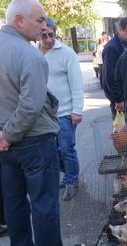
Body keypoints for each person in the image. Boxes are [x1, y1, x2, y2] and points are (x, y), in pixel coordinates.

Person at [0, 0, 62, 245]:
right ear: (19, 20)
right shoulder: (31, 56)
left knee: (15, 201)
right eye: (40, 20)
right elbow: (31, 105)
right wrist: (4, 134)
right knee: (44, 205)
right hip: (34, 141)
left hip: (6, 143)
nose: (44, 26)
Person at [39, 17, 84, 201]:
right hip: (43, 114)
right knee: (52, 151)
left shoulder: (67, 53)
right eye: (43, 35)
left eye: (51, 34)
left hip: (65, 112)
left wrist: (77, 110)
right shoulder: (34, 53)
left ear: (55, 33)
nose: (48, 38)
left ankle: (72, 180)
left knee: (66, 148)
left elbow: (76, 83)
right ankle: (68, 173)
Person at [102, 17, 127, 118]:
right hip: (119, 98)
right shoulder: (111, 48)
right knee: (121, 131)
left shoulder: (126, 44)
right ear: (120, 30)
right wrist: (118, 99)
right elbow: (110, 76)